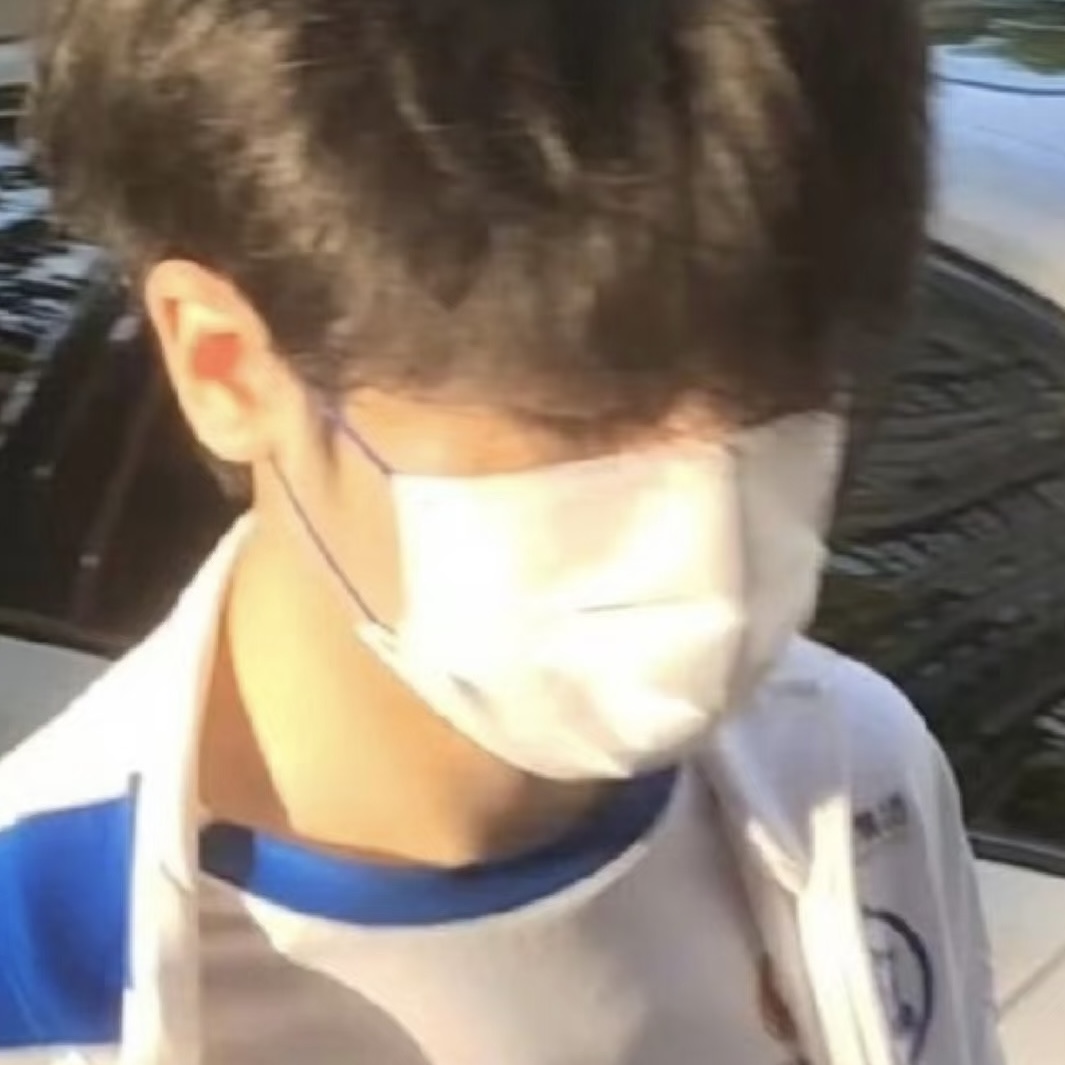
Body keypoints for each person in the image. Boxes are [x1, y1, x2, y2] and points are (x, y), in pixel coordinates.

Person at [0, 0, 1003, 1062]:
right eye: (579, 418)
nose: (705, 530)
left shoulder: (855, 772)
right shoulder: (37, 974)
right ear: (229, 368)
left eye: (779, 402)